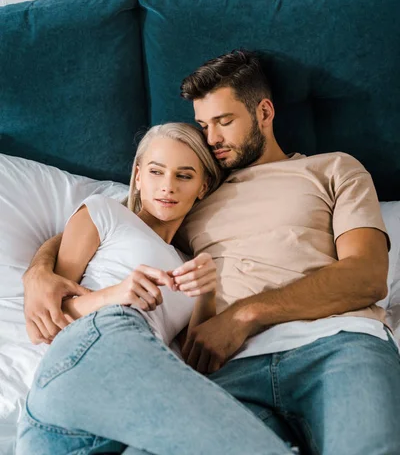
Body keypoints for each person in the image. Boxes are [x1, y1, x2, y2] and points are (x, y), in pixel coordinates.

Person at [23, 51, 400, 454]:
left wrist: (244, 314)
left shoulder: (333, 170)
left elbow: (367, 275)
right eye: (204, 125)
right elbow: (112, 218)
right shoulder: (191, 192)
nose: (212, 138)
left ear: (264, 112)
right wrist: (39, 272)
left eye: (224, 122)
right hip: (227, 369)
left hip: (337, 345)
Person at [17, 122, 294, 455]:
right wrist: (117, 294)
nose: (168, 187)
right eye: (156, 172)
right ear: (137, 175)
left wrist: (207, 291)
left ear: (203, 187)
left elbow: (195, 364)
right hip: (87, 354)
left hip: (88, 427)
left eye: (184, 176)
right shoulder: (105, 213)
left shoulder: (190, 262)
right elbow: (48, 322)